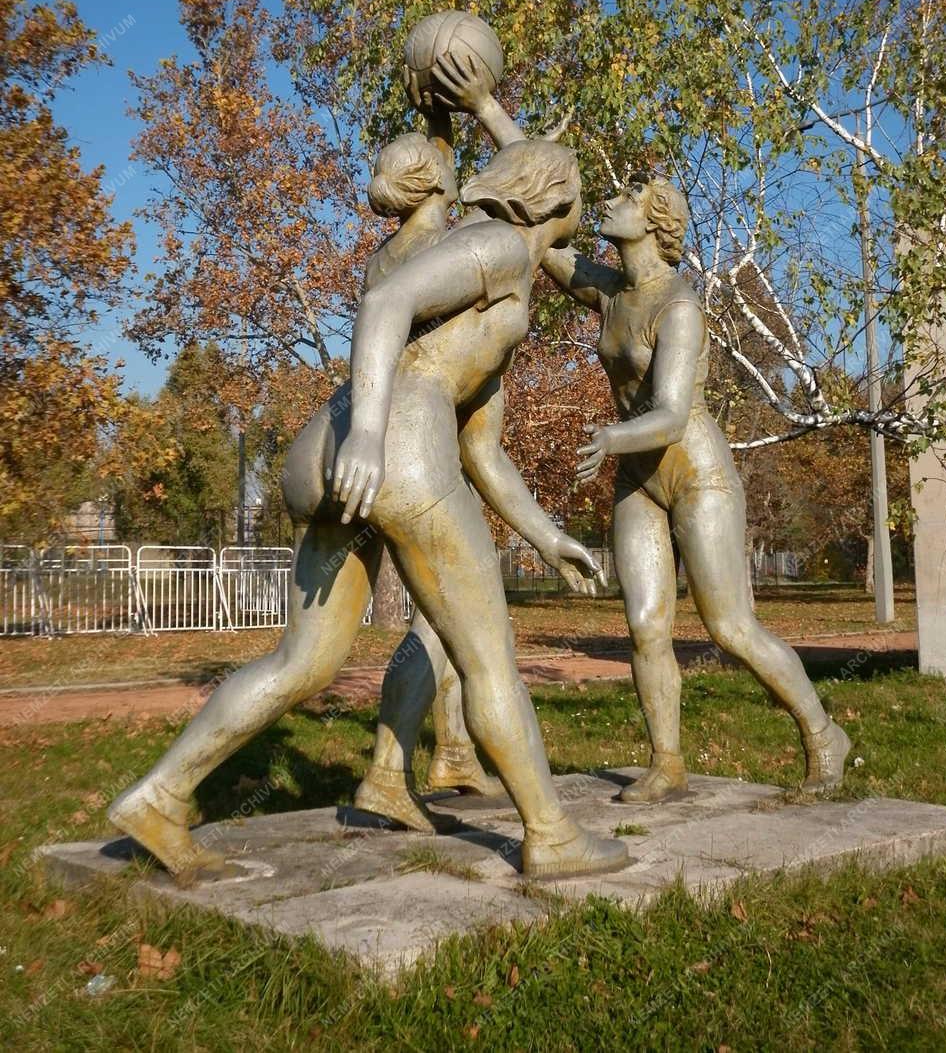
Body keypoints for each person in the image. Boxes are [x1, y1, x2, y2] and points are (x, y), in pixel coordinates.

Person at [108, 138, 628, 881]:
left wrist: (549, 536)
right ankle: (549, 832)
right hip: (394, 444)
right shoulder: (502, 245)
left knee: (303, 661)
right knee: (488, 659)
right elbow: (387, 301)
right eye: (578, 185)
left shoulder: (500, 295)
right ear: (551, 197)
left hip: (346, 448)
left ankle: (159, 795)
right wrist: (376, 434)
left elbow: (484, 453)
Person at [542, 173, 852, 802]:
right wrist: (492, 121)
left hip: (694, 473)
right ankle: (667, 761)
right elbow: (540, 232)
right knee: (644, 625)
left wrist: (607, 439)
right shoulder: (612, 291)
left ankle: (823, 733)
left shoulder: (677, 305)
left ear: (655, 223)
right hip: (638, 475)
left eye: (629, 198)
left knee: (730, 627)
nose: (613, 202)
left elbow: (671, 415)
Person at [362, 128, 500, 804]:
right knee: (458, 614)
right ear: (443, 180)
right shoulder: (451, 247)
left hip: (385, 442)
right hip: (424, 448)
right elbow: (518, 211)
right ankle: (390, 769)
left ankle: (449, 750)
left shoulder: (384, 257)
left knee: (438, 617)